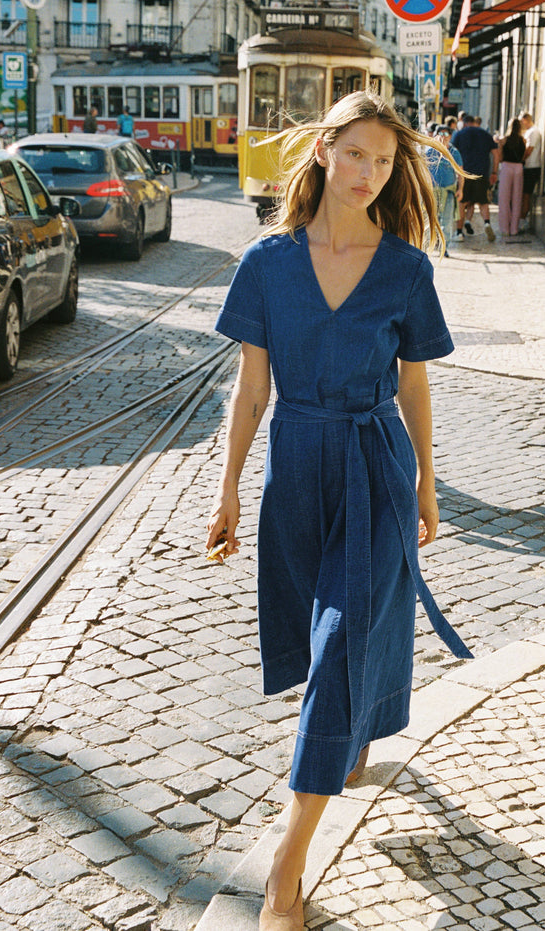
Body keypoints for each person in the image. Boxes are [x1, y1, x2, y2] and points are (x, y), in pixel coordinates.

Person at [205, 90, 472, 930]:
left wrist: (427, 481)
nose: (370, 172)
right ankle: (349, 741)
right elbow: (251, 390)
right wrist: (228, 488)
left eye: (386, 160)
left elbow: (415, 382)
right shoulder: (267, 263)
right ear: (323, 151)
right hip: (295, 467)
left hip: (375, 465)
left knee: (342, 643)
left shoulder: (406, 268)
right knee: (328, 644)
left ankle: (288, 861)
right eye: (356, 153)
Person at [451, 114, 498, 241]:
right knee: (483, 202)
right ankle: (487, 223)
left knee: (461, 203)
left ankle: (459, 233)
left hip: (464, 174)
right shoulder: (485, 134)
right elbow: (496, 153)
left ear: (464, 123)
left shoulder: (459, 135)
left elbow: (451, 152)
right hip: (482, 173)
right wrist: (494, 172)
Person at [426, 124, 463, 256]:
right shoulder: (429, 152)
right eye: (440, 134)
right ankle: (431, 244)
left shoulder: (454, 152)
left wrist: (461, 189)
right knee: (432, 219)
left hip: (448, 191)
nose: (443, 137)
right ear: (436, 136)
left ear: (450, 136)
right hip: (432, 192)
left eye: (446, 134)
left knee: (446, 220)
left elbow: (460, 173)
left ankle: (444, 247)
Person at [519, 111, 542, 229]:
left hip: (531, 166)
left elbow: (529, 149)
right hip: (528, 166)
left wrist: (520, 159)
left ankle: (523, 219)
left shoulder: (534, 132)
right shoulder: (529, 132)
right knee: (524, 194)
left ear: (526, 120)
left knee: (526, 194)